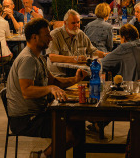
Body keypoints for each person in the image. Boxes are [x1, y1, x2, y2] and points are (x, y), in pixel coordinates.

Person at [6, 18, 88, 158]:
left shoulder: (39, 58)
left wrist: (75, 79)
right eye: (47, 35)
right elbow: (26, 91)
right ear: (34, 37)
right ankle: (42, 156)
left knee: (78, 121)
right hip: (25, 120)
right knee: (70, 132)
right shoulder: (28, 59)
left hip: (38, 113)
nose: (50, 38)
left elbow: (54, 81)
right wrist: (50, 88)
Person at [47, 9, 104, 77]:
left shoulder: (80, 34)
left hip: (76, 73)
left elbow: (93, 51)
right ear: (65, 23)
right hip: (59, 75)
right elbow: (52, 57)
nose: (76, 25)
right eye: (73, 23)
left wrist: (105, 55)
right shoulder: (55, 35)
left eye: (78, 22)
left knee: (99, 76)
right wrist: (75, 59)